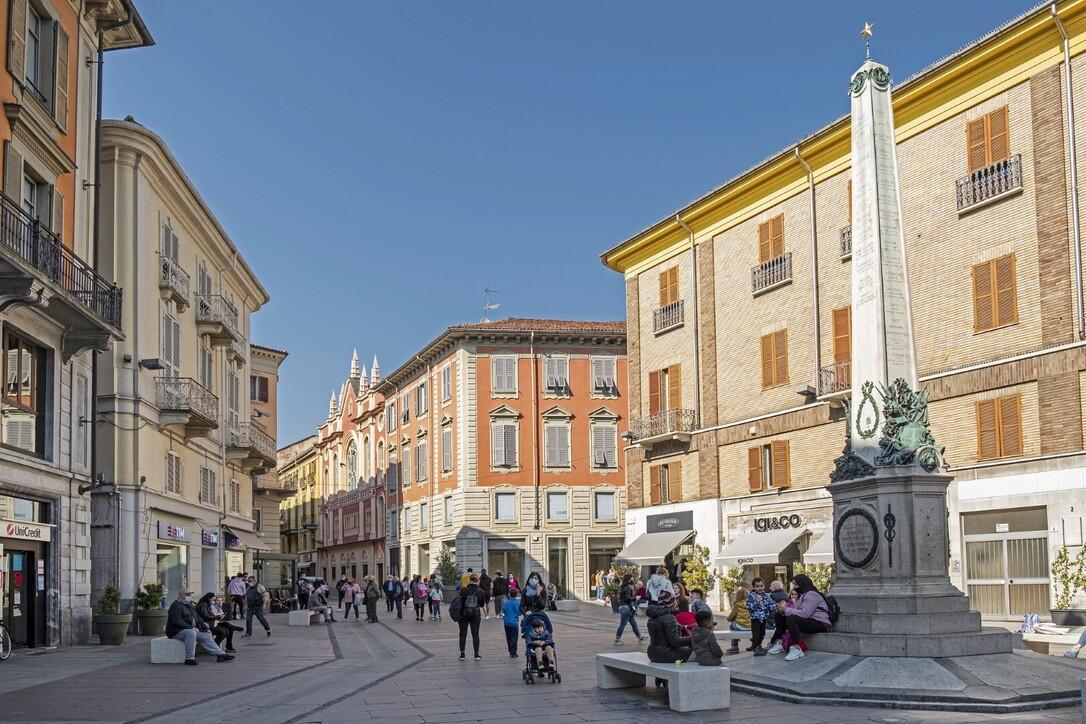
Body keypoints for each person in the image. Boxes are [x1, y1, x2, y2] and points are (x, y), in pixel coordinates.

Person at [165, 588, 234, 665]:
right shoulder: (175, 606)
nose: (190, 596)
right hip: (176, 631)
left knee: (206, 635)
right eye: (188, 594)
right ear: (181, 595)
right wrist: (191, 627)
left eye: (190, 594)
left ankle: (220, 655)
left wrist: (205, 627)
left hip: (190, 630)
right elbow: (177, 621)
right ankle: (189, 658)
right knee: (191, 633)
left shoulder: (189, 604)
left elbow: (197, 618)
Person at [773, 574, 831, 661]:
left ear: (802, 583)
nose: (795, 587)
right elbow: (797, 611)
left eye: (796, 584)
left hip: (821, 623)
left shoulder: (812, 594)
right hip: (809, 621)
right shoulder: (803, 595)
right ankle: (781, 642)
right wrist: (783, 610)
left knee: (791, 618)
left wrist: (786, 609)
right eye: (793, 584)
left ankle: (796, 648)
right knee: (780, 616)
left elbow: (805, 613)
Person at [646, 590, 692, 664]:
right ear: (672, 604)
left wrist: (679, 627)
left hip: (653, 653)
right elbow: (675, 641)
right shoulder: (669, 618)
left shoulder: (652, 617)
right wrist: (693, 638)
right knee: (697, 652)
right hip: (666, 654)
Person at [613, 573, 646, 645]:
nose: (633, 579)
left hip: (624, 608)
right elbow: (628, 598)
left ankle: (639, 638)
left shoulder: (623, 587)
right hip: (626, 608)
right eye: (632, 578)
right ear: (628, 580)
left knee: (634, 624)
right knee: (623, 624)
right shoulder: (627, 587)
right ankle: (617, 640)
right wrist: (635, 598)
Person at [456, 573, 483, 660]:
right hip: (476, 614)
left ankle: (462, 654)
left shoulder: (463, 590)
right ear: (477, 581)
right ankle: (476, 654)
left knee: (463, 634)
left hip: (464, 614)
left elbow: (460, 601)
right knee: (475, 634)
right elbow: (482, 604)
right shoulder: (480, 591)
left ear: (469, 580)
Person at [747, 578, 775, 655]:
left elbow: (771, 604)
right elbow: (749, 607)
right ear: (753, 587)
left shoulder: (765, 595)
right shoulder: (752, 595)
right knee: (756, 634)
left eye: (761, 586)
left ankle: (758, 645)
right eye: (757, 586)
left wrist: (776, 606)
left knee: (762, 633)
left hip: (764, 618)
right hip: (755, 618)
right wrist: (755, 603)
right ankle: (755, 648)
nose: (760, 588)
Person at [725, 586, 751, 654]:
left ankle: (734, 646)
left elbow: (731, 617)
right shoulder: (751, 603)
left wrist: (728, 619)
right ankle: (754, 644)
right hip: (751, 627)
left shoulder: (737, 604)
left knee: (732, 625)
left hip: (741, 626)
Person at [502, 589, 521, 658]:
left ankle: (510, 651)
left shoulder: (505, 602)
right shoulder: (518, 603)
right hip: (514, 623)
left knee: (508, 637)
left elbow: (503, 611)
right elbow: (519, 613)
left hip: (506, 622)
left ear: (509, 594)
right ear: (517, 595)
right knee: (514, 637)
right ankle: (514, 652)